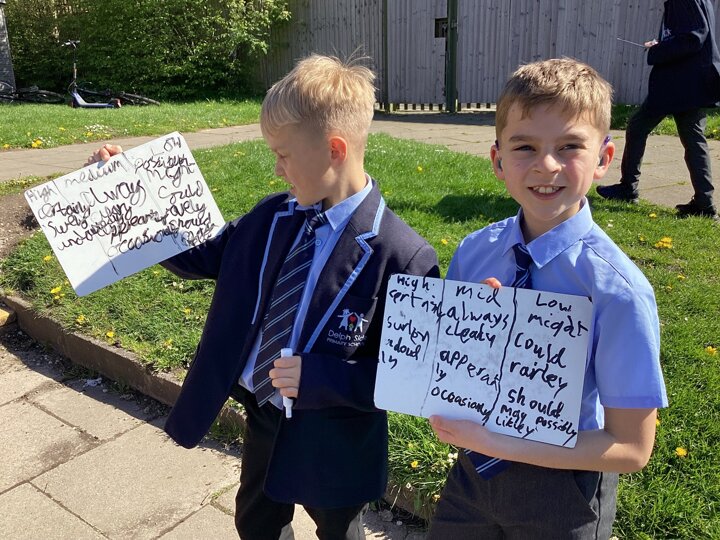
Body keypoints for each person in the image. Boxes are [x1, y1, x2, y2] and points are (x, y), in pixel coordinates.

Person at [89, 54, 439, 540]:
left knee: (339, 530)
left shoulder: (402, 255)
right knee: (256, 522)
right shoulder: (273, 217)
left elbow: (410, 378)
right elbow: (201, 254)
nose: (276, 169)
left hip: (335, 438)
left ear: (335, 149)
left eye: (284, 155)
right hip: (265, 417)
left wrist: (320, 376)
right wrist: (127, 192)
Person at [426, 58, 668, 539]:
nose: (547, 165)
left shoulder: (616, 290)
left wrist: (499, 442)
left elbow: (632, 448)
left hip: (563, 492)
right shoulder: (474, 253)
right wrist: (468, 341)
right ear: (498, 160)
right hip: (472, 478)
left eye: (570, 146)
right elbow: (447, 374)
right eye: (525, 147)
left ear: (604, 158)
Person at [596, 0, 720, 219]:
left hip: (679, 83)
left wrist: (659, 49)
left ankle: (628, 189)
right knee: (693, 139)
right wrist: (661, 43)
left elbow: (694, 37)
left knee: (638, 127)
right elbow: (686, 34)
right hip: (689, 81)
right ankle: (704, 204)